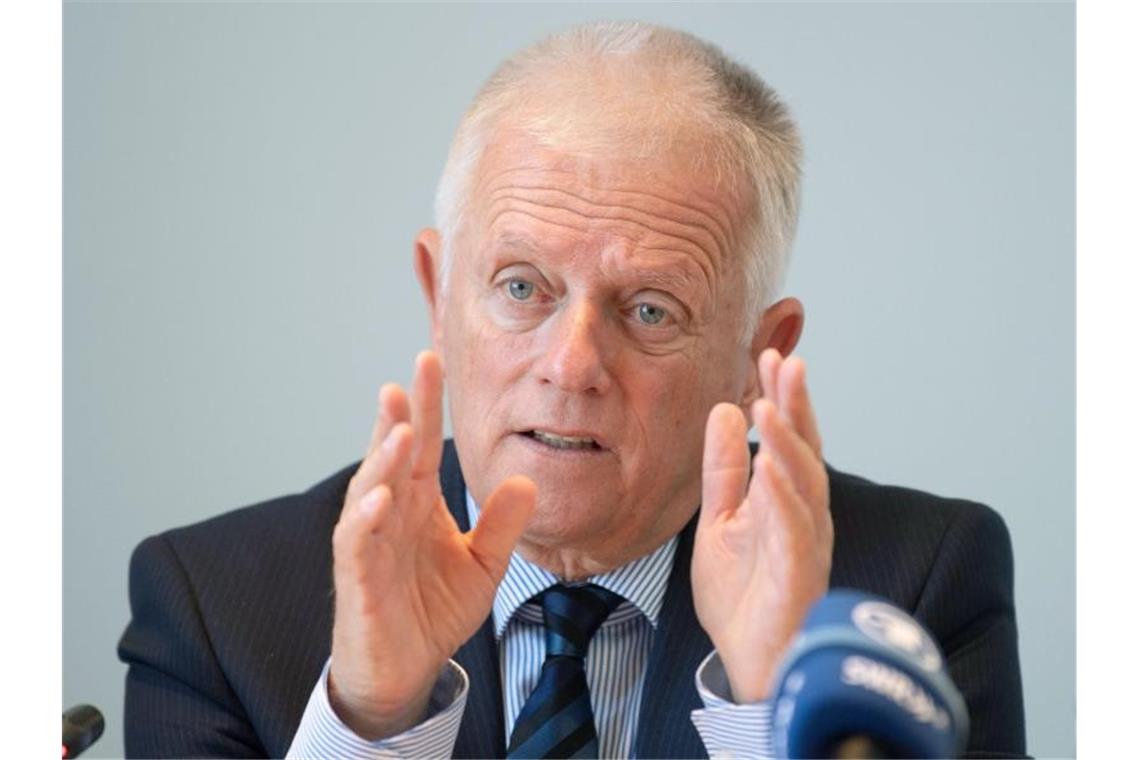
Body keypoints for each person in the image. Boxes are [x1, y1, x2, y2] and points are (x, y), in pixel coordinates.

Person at [118, 20, 1026, 759]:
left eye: (650, 310)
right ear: (441, 299)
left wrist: (773, 702)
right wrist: (374, 722)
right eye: (522, 288)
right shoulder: (215, 606)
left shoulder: (912, 593)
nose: (572, 364)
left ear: (760, 356)